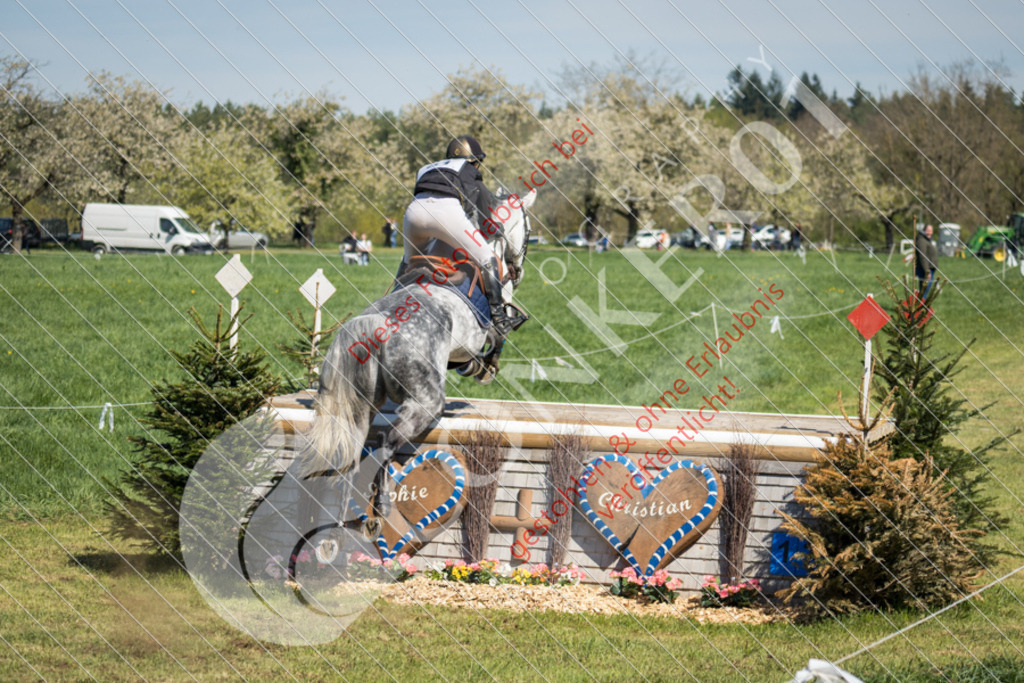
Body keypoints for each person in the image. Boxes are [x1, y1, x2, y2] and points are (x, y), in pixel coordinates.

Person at [400, 135, 517, 336]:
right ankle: (499, 317)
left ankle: (394, 300)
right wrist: (495, 228)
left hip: (414, 214)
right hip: (446, 213)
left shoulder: (426, 168)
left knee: (408, 262)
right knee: (487, 258)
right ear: (475, 161)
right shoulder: (470, 170)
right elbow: (481, 219)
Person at [915, 223, 939, 296]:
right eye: (928, 230)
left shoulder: (927, 240)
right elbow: (922, 257)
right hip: (925, 269)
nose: (930, 233)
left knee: (925, 291)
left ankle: (922, 302)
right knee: (924, 292)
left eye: (931, 231)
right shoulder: (922, 241)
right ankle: (922, 303)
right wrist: (927, 271)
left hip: (929, 269)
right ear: (924, 230)